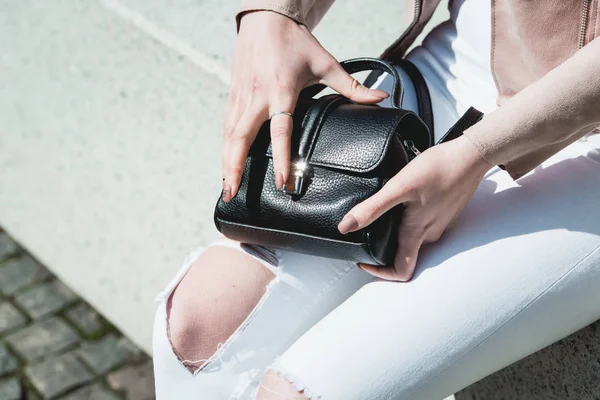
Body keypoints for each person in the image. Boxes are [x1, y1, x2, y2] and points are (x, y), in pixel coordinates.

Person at [152, 0, 600, 398]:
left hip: (586, 132)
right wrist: (271, 15)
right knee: (193, 332)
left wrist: (479, 150)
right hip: (452, 72)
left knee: (302, 391)